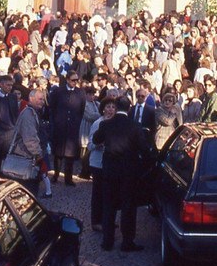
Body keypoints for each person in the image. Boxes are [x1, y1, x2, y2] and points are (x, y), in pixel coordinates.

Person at [92, 95, 150, 252]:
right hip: (128, 173)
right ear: (129, 108)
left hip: (110, 171)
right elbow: (144, 149)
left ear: (116, 108)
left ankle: (107, 241)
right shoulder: (135, 126)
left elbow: (96, 139)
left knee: (109, 206)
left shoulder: (106, 124)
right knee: (128, 208)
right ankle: (127, 241)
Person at [6, 88, 46, 194]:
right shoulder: (29, 114)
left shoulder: (32, 112)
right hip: (26, 157)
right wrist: (38, 154)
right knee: (28, 191)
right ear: (31, 99)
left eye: (43, 99)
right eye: (40, 99)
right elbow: (30, 138)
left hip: (28, 156)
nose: (42, 102)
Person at [49, 73, 86, 186]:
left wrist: (76, 122)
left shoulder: (80, 92)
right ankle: (56, 175)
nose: (75, 82)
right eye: (73, 80)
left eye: (76, 80)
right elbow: (52, 107)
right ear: (67, 80)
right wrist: (56, 121)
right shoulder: (58, 91)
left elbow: (81, 109)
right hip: (60, 126)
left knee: (70, 154)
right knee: (58, 153)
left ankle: (68, 178)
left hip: (72, 127)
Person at [87, 98, 117, 231]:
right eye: (108, 107)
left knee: (109, 193)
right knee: (98, 193)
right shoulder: (97, 123)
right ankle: (96, 221)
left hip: (110, 163)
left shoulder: (115, 123)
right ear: (103, 109)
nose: (111, 110)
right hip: (97, 163)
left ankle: (107, 219)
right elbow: (89, 144)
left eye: (113, 107)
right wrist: (97, 145)